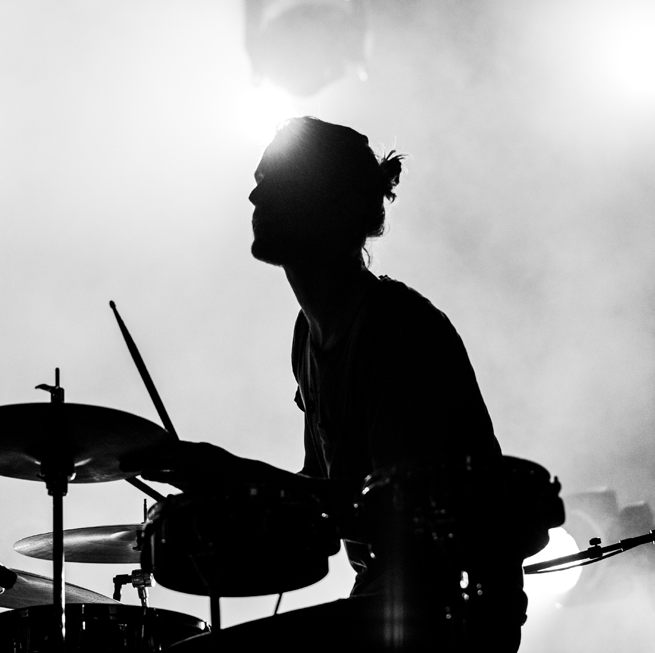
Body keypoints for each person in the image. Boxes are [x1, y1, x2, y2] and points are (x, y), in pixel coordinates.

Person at [138, 117, 532, 652]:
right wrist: (223, 501)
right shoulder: (308, 335)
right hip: (383, 597)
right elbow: (319, 492)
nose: (253, 195)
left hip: (447, 613)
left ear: (327, 204)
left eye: (273, 180)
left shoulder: (398, 331)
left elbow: (393, 513)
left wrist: (231, 474)